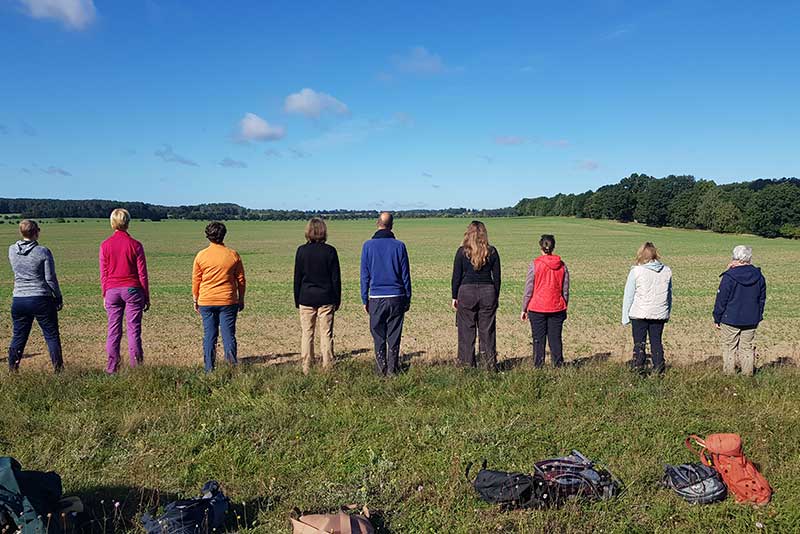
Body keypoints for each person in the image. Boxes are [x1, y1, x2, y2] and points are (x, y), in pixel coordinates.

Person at [7, 220, 64, 372]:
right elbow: (50, 278)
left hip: (18, 298)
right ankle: (58, 370)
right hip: (40, 298)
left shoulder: (12, 250)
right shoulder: (43, 251)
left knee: (18, 336)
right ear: (36, 232)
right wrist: (57, 296)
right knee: (51, 335)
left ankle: (12, 369)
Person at [360, 212, 411, 376]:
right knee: (394, 335)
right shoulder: (399, 246)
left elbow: (364, 275)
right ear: (392, 225)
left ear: (377, 224)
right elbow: (405, 275)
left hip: (376, 297)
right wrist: (407, 297)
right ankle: (392, 369)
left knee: (378, 335)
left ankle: (380, 368)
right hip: (396, 296)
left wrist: (364, 298)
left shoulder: (367, 246)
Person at [99, 208, 150, 373]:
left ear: (112, 222)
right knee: (133, 330)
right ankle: (137, 368)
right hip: (133, 289)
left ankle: (112, 368)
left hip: (112, 290)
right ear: (128, 223)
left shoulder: (105, 245)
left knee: (113, 330)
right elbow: (142, 273)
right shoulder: (136, 245)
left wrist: (104, 294)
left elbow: (103, 273)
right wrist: (146, 296)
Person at [192, 222, 246, 372]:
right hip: (228, 300)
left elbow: (196, 279)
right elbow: (240, 280)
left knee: (209, 335)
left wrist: (195, 298)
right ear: (224, 235)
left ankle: (209, 368)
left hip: (206, 300)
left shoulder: (201, 255)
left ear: (208, 236)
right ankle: (231, 367)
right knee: (228, 335)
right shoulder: (233, 255)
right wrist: (241, 298)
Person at [294, 217, 342, 374]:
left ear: (308, 232)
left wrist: (297, 298)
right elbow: (336, 278)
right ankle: (328, 366)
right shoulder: (330, 251)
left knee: (307, 333)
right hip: (326, 298)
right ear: (323, 232)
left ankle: (306, 367)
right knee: (326, 334)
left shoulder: (301, 250)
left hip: (306, 297)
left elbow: (297, 278)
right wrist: (337, 299)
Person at [451, 221, 501, 370]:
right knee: (488, 332)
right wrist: (495, 296)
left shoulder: (462, 252)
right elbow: (497, 278)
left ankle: (467, 365)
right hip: (488, 292)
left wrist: (454, 296)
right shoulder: (492, 251)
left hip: (466, 292)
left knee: (466, 331)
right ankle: (489, 366)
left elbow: (456, 277)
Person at [713, 245, 766, 376]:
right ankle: (748, 375)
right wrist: (758, 316)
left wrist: (717, 317)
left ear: (736, 258)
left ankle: (729, 375)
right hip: (751, 319)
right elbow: (762, 299)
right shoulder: (759, 276)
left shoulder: (729, 276)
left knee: (729, 347)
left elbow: (721, 299)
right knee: (746, 348)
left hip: (730, 318)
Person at [621, 242, 673, 374]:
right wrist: (667, 313)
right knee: (657, 343)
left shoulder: (636, 271)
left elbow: (629, 295)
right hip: (659, 313)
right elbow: (669, 295)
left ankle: (639, 369)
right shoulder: (667, 271)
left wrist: (625, 317)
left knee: (639, 343)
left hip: (639, 313)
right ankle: (659, 370)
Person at [520, 234, 569, 368]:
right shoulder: (562, 266)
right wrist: (564, 305)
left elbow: (528, 289)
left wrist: (524, 308)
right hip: (557, 307)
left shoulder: (535, 265)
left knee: (538, 340)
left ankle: (538, 367)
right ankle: (558, 367)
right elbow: (565, 290)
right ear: (553, 247)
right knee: (555, 340)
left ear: (541, 247)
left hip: (537, 308)